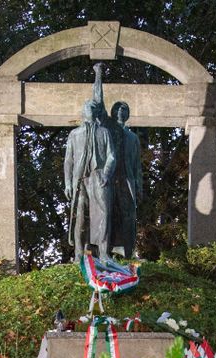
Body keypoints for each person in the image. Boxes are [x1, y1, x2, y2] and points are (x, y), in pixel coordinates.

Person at [63, 65, 117, 261]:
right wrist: (68, 183)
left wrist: (106, 173)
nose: (92, 109)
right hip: (79, 178)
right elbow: (68, 160)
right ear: (83, 111)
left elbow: (112, 155)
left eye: (94, 108)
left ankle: (103, 254)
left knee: (103, 214)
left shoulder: (104, 132)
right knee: (79, 217)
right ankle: (78, 255)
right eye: (88, 107)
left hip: (98, 176)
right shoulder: (74, 134)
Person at [108, 100, 142, 259]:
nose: (122, 112)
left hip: (126, 180)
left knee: (128, 216)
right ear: (113, 113)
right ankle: (106, 251)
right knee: (108, 215)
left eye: (125, 110)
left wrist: (138, 186)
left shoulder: (133, 137)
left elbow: (137, 165)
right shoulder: (106, 132)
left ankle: (128, 251)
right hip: (109, 180)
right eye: (119, 109)